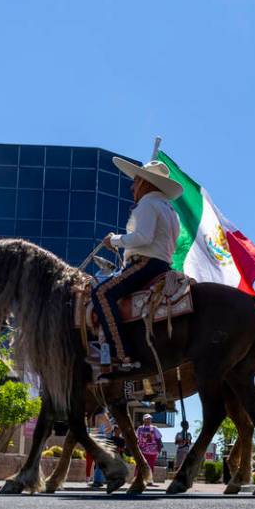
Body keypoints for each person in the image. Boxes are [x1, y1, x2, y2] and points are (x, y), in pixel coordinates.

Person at [93, 156, 183, 371]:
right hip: (163, 265)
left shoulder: (147, 204)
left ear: (145, 183)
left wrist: (114, 240)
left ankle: (122, 354)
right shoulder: (170, 211)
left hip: (145, 264)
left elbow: (143, 237)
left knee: (102, 293)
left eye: (135, 181)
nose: (132, 186)